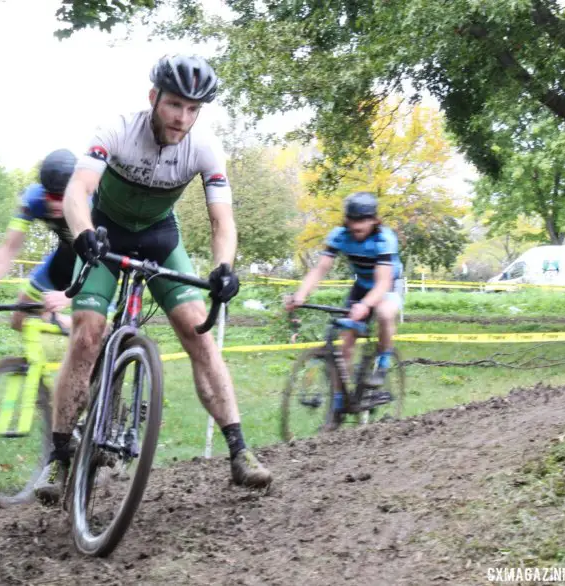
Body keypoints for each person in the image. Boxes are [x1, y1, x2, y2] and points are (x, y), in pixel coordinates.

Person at [33, 55, 272, 503]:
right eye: (175, 105)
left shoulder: (203, 148)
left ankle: (240, 452)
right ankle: (60, 454)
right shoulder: (118, 130)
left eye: (193, 109)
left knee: (198, 330)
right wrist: (84, 234)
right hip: (106, 236)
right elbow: (78, 191)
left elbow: (223, 221)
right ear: (153, 98)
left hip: (160, 238)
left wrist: (224, 268)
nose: (182, 118)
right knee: (87, 335)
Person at [285, 191, 403, 426]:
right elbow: (319, 270)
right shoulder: (340, 236)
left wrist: (365, 305)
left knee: (384, 313)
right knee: (344, 343)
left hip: (387, 285)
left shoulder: (384, 239)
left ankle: (383, 361)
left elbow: (381, 284)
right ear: (347, 220)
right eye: (353, 221)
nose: (357, 226)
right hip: (361, 286)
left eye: (363, 221)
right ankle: (338, 404)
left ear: (374, 220)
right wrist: (300, 295)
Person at [0, 149, 78, 330]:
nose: (55, 204)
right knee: (19, 319)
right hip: (62, 262)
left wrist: (69, 295)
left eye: (61, 197)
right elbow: (8, 249)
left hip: (95, 266)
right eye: (51, 196)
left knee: (92, 327)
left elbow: (103, 257)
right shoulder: (34, 198)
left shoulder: (91, 205)